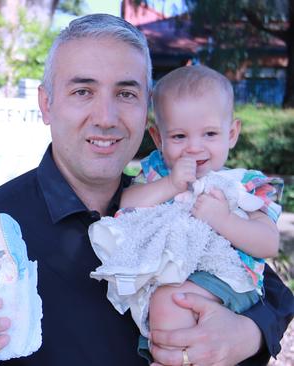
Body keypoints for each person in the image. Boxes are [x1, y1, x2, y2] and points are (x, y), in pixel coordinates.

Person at [0, 14, 294, 366]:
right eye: (83, 91)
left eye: (126, 93)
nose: (106, 117)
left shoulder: (178, 202)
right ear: (46, 104)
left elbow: (274, 294)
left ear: (146, 111)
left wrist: (245, 335)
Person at [88, 64, 284, 360]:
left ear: (231, 133)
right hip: (170, 273)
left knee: (171, 302)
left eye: (209, 133)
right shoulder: (157, 172)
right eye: (179, 137)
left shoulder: (242, 185)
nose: (194, 147)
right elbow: (125, 203)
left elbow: (268, 243)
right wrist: (171, 184)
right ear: (158, 137)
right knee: (166, 311)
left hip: (228, 278)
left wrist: (223, 219)